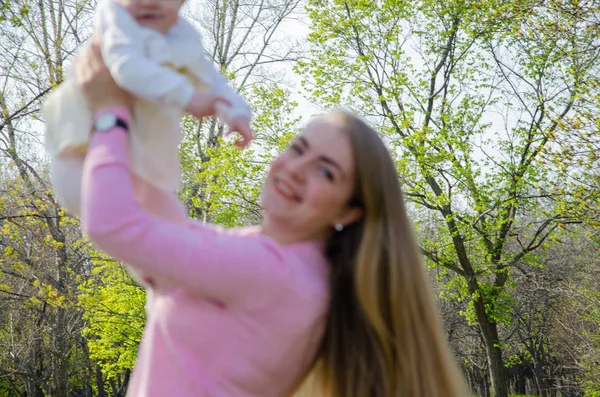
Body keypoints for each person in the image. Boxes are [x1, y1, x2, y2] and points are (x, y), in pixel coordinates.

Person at [76, 43, 468, 397]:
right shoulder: (280, 261)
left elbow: (113, 224)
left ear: (349, 211)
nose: (295, 169)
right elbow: (163, 235)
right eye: (298, 148)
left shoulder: (273, 270)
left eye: (325, 172)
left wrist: (110, 114)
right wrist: (147, 116)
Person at [43, 0, 251, 219]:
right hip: (83, 149)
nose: (150, 2)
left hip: (140, 155)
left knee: (170, 221)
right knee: (109, 210)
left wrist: (237, 112)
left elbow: (214, 81)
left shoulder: (184, 35)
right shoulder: (116, 15)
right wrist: (187, 97)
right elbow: (126, 66)